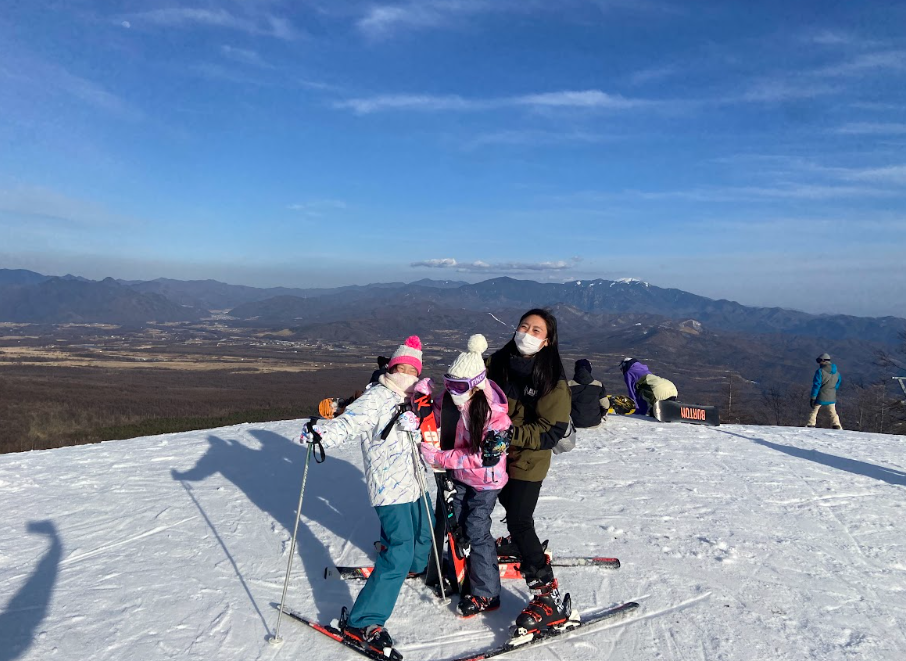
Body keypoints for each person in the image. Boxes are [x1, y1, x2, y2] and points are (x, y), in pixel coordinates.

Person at [299, 336, 433, 657]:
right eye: (400, 366)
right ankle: (363, 621)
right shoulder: (376, 398)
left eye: (411, 369)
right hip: (390, 487)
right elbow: (348, 423)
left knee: (425, 532)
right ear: (390, 367)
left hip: (416, 482)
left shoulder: (416, 397)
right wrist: (320, 434)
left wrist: (419, 424)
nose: (405, 372)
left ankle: (414, 567)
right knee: (400, 548)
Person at [485, 309, 574, 635]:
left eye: (536, 330)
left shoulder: (552, 381)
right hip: (495, 453)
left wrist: (510, 436)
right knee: (501, 503)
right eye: (524, 325)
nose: (527, 332)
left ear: (547, 340)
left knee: (521, 518)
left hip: (527, 459)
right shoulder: (499, 362)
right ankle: (514, 545)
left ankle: (547, 595)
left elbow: (550, 431)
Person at [420, 334, 512, 618]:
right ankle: (459, 572)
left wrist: (440, 458)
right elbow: (434, 414)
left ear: (475, 385)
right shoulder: (453, 399)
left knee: (475, 530)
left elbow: (485, 458)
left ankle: (487, 593)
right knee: (455, 527)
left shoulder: (496, 417)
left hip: (485, 483)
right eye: (448, 384)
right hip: (459, 477)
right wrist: (420, 401)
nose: (452, 390)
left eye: (458, 386)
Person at [569, 359, 609, 428]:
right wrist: (601, 414)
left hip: (575, 422)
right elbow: (605, 405)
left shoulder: (569, 385)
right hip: (595, 422)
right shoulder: (598, 385)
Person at [807, 353, 842, 429]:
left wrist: (813, 396)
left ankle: (811, 424)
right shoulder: (837, 373)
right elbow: (838, 383)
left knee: (814, 410)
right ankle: (836, 424)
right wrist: (832, 390)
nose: (819, 363)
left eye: (819, 361)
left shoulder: (820, 372)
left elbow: (816, 385)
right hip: (832, 395)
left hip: (821, 394)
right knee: (832, 412)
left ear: (823, 361)